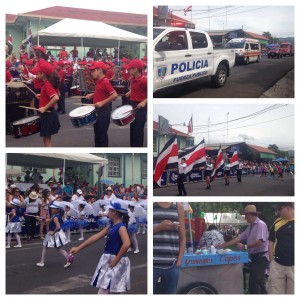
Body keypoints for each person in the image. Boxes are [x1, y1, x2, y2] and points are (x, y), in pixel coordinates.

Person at [69, 199, 131, 294]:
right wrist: (78, 248)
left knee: (107, 290)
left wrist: (115, 260)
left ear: (114, 212)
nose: (107, 212)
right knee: (112, 290)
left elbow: (127, 244)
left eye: (109, 210)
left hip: (115, 261)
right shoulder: (111, 226)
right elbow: (95, 237)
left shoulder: (121, 227)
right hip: (110, 259)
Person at [217, 205, 269, 294]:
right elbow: (238, 238)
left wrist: (245, 246)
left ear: (250, 215)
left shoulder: (261, 225)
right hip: (256, 257)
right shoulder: (250, 227)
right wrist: (223, 245)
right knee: (259, 281)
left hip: (261, 257)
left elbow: (259, 241)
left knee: (254, 282)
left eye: (245, 215)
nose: (245, 217)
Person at [153, 202, 186, 294]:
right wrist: (160, 226)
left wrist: (179, 261)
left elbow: (182, 237)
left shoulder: (178, 206)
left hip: (172, 264)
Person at [85, 62, 118, 147]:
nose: (92, 73)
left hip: (103, 112)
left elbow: (115, 95)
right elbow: (101, 91)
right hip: (98, 111)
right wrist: (92, 95)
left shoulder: (105, 81)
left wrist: (102, 103)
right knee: (97, 134)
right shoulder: (99, 81)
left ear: (100, 70)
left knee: (102, 136)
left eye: (93, 71)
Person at [30, 60, 61, 147]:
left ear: (43, 74)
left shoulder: (47, 84)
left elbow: (56, 97)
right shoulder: (49, 83)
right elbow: (58, 93)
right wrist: (42, 95)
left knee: (47, 141)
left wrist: (44, 108)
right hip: (50, 113)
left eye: (38, 72)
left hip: (48, 114)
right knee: (46, 139)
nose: (36, 74)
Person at [267, 202, 294, 294]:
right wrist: (271, 260)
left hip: (294, 266)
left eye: (280, 209)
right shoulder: (277, 222)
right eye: (277, 209)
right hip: (278, 264)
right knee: (275, 292)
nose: (278, 212)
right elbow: (271, 241)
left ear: (289, 208)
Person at [36, 201, 72, 268]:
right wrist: (39, 219)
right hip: (55, 234)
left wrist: (53, 232)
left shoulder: (55, 217)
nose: (51, 209)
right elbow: (48, 220)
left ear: (57, 209)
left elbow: (58, 227)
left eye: (53, 208)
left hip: (53, 234)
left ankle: (42, 262)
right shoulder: (56, 216)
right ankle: (69, 258)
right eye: (52, 208)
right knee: (55, 248)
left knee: (48, 247)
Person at [124, 59, 147, 147]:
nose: (128, 70)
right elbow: (136, 88)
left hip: (140, 107)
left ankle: (137, 147)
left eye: (130, 69)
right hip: (133, 105)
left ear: (136, 69)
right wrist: (131, 91)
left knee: (138, 130)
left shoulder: (144, 81)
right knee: (132, 128)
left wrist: (144, 102)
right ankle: (133, 146)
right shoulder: (133, 78)